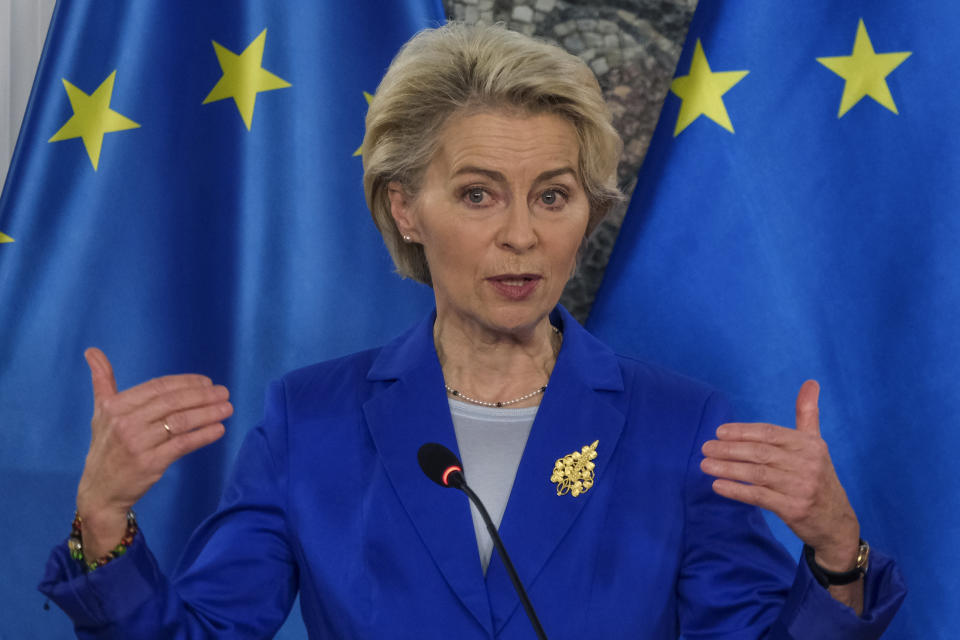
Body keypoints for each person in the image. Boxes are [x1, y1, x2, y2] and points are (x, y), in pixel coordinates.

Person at [40, 21, 905, 638]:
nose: (521, 234)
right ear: (406, 207)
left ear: (586, 214)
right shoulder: (313, 422)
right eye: (479, 194)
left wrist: (836, 555)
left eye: (553, 196)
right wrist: (104, 518)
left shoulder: (680, 426)